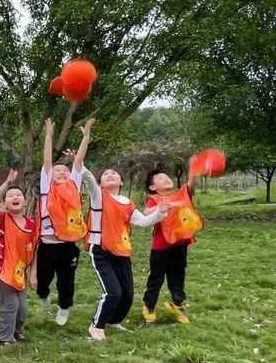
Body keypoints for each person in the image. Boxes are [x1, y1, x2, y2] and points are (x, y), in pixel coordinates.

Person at [82, 164, 170, 341]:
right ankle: (96, 326)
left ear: (121, 181)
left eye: (114, 173)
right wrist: (79, 161)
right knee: (112, 292)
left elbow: (144, 222)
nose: (110, 174)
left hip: (121, 250)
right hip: (100, 249)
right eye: (105, 174)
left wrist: (160, 213)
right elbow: (87, 177)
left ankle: (114, 320)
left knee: (127, 295)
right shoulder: (99, 196)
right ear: (99, 183)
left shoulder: (127, 203)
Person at [36, 118, 94, 326]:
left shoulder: (73, 187)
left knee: (66, 280)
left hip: (68, 245)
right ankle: (43, 293)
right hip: (47, 244)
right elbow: (47, 162)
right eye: (57, 171)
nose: (61, 172)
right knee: (43, 279)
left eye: (65, 171)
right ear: (49, 176)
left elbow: (78, 162)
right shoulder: (46, 187)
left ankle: (64, 306)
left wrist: (86, 137)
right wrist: (49, 135)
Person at [141, 168, 202, 324]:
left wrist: (195, 168)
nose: (166, 179)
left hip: (180, 245)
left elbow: (191, 183)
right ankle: (148, 305)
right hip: (161, 247)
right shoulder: (154, 198)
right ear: (153, 187)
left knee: (178, 277)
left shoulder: (181, 194)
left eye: (166, 177)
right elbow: (146, 212)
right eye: (160, 178)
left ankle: (177, 304)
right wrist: (161, 206)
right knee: (156, 278)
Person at [0, 170, 39, 346]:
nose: (15, 197)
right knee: (9, 306)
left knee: (22, 309)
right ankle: (4, 338)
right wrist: (7, 183)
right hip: (3, 271)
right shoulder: (2, 218)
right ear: (5, 203)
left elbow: (34, 251)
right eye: (10, 196)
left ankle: (17, 332)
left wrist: (33, 274)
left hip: (20, 273)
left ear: (25, 202)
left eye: (18, 194)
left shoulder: (32, 225)